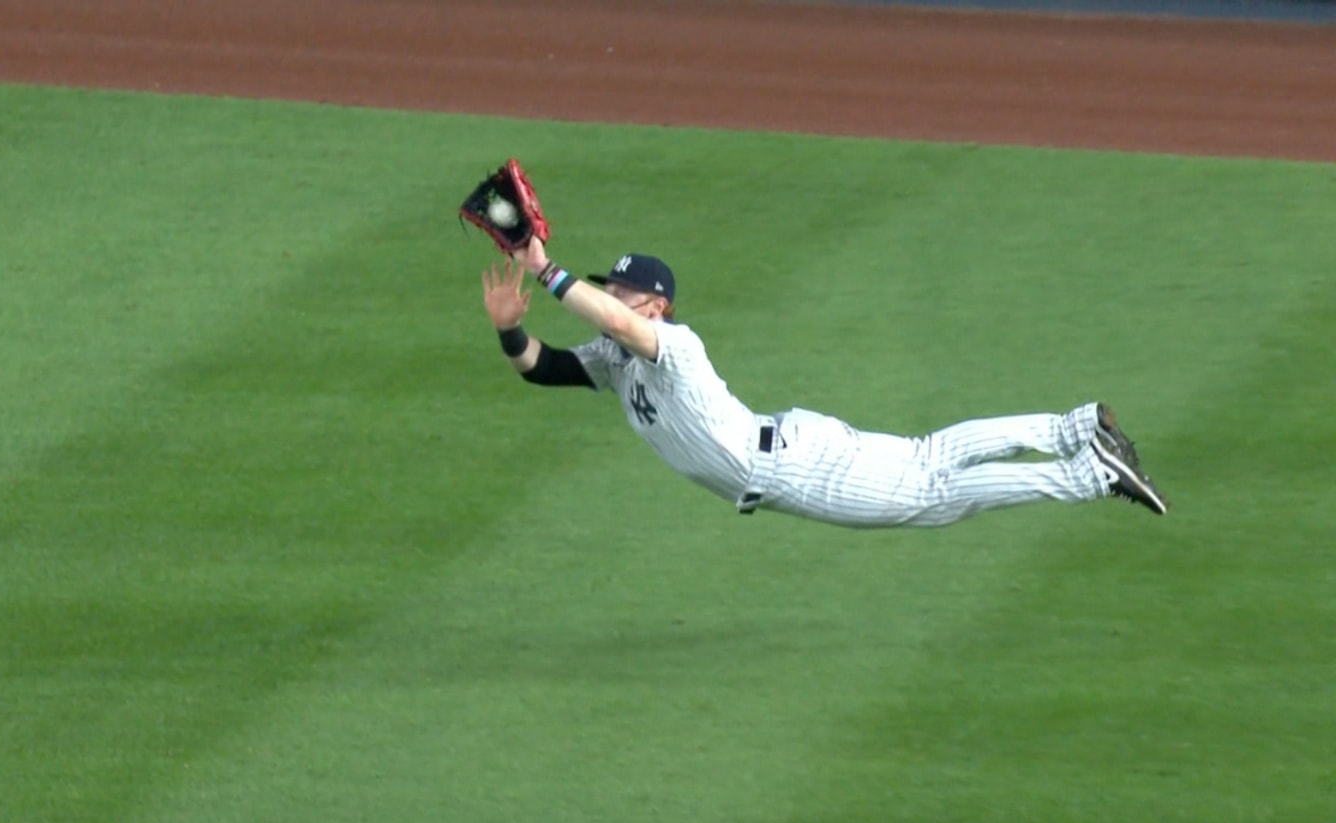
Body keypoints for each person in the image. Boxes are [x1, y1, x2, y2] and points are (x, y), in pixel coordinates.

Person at [480, 236, 1169, 527]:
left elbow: (621, 327)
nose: (615, 300)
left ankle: (1089, 472)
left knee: (935, 494)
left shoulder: (671, 346)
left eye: (626, 293)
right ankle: (1076, 430)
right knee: (931, 462)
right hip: (791, 448)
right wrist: (511, 328)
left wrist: (548, 271)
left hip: (785, 468)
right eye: (614, 289)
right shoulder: (616, 357)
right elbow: (549, 370)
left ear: (657, 306)